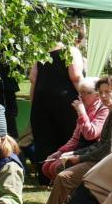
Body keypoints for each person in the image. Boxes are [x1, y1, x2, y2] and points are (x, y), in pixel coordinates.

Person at [23, 76, 112, 204]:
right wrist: (74, 153)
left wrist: (80, 158)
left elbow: (109, 149)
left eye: (107, 92)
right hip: (106, 160)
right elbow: (101, 144)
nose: (103, 96)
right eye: (101, 92)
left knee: (65, 177)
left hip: (111, 165)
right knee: (64, 165)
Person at [28, 32, 85, 180]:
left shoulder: (41, 52)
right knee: (69, 137)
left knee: (43, 138)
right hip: (65, 101)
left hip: (41, 101)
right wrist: (87, 98)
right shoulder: (71, 51)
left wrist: (33, 103)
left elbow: (33, 79)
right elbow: (76, 76)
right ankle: (65, 174)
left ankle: (45, 177)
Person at [39, 76, 108, 184]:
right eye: (80, 92)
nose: (81, 96)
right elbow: (76, 138)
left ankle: (70, 194)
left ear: (97, 94)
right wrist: (60, 152)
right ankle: (66, 194)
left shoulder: (103, 109)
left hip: (93, 152)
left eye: (86, 92)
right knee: (46, 166)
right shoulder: (86, 109)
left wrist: (82, 113)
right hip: (81, 148)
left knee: (57, 167)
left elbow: (91, 134)